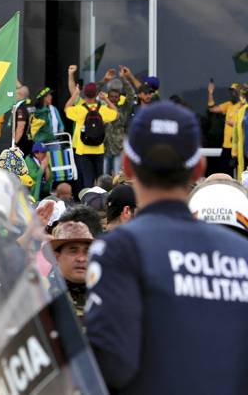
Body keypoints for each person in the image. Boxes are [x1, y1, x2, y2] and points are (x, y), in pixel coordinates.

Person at [86, 101, 248, 393]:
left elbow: (109, 365)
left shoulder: (118, 249)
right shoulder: (242, 254)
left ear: (126, 165)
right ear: (199, 167)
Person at [64, 69, 118, 189]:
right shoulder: (102, 109)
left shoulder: (80, 109)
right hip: (98, 148)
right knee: (99, 179)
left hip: (83, 149)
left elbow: (67, 108)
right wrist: (106, 99)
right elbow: (115, 113)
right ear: (96, 94)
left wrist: (75, 94)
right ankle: (100, 203)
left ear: (84, 94)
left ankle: (88, 203)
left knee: (87, 179)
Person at [49, 221, 93, 324]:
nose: (81, 259)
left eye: (87, 251)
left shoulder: (104, 296)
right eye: (73, 251)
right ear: (56, 257)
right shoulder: (44, 297)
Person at [101, 70, 136, 177]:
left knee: (117, 176)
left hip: (117, 147)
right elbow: (92, 93)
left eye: (116, 97)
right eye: (111, 97)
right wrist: (105, 80)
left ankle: (116, 193)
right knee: (104, 176)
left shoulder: (124, 108)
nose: (114, 99)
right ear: (108, 96)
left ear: (119, 97)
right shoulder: (102, 109)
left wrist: (124, 79)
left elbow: (131, 94)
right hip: (104, 147)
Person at [208, 79, 244, 177]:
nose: (232, 94)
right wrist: (210, 93)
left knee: (240, 172)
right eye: (231, 92)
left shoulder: (243, 106)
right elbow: (212, 108)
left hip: (237, 147)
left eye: (234, 92)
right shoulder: (228, 105)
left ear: (239, 93)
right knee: (224, 171)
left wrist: (235, 124)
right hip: (226, 146)